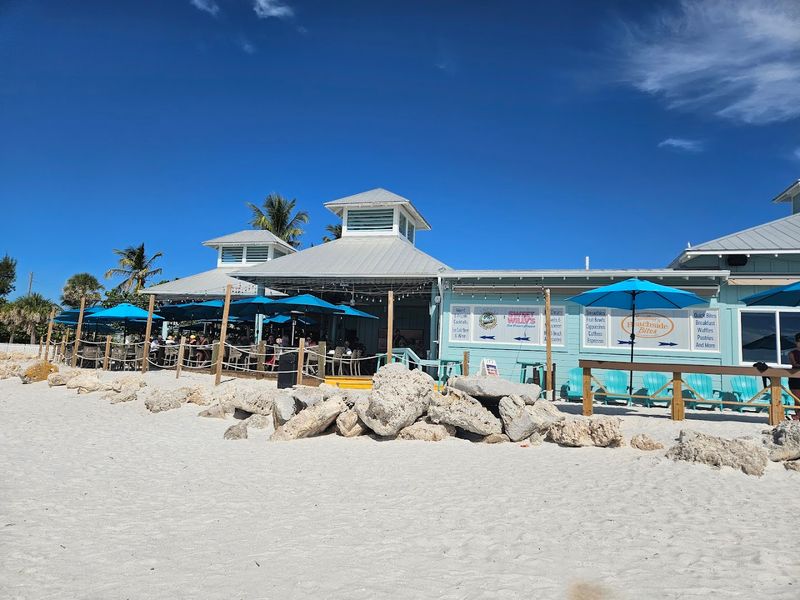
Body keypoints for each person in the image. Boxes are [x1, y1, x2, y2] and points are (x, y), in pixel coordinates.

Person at [787, 333, 800, 421]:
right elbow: (794, 364)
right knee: (797, 398)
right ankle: (798, 415)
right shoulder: (792, 353)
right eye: (799, 341)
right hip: (795, 378)